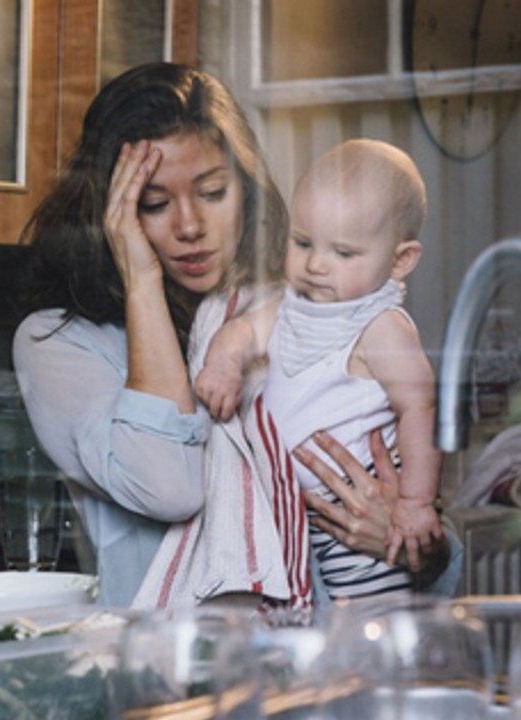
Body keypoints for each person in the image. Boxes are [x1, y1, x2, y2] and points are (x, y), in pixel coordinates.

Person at [11, 63, 458, 608]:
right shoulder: (59, 344)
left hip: (323, 658)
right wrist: (142, 278)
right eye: (152, 204)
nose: (190, 225)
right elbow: (169, 485)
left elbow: (438, 553)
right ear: (109, 213)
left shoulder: (303, 312)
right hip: (171, 671)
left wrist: (411, 543)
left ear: (246, 193)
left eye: (213, 192)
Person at [194, 139, 443, 600]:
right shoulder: (292, 308)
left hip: (359, 515)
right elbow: (242, 333)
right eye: (303, 242)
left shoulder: (380, 326)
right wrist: (223, 364)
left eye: (344, 253)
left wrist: (414, 502)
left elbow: (421, 408)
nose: (315, 265)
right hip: (299, 516)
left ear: (400, 260)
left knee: (371, 621)